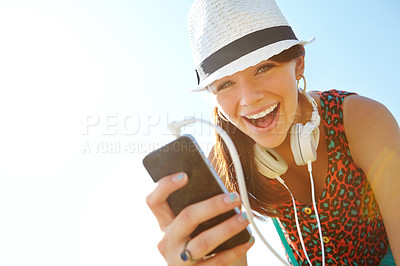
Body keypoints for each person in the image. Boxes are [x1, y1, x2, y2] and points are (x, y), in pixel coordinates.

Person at [146, 0, 400, 265]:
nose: (249, 99)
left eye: (263, 68)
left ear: (299, 64)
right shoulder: (223, 163)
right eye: (226, 84)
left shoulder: (361, 120)